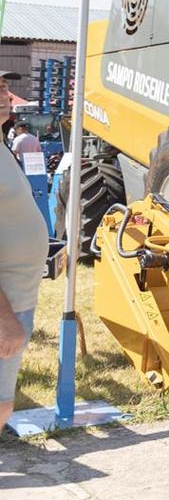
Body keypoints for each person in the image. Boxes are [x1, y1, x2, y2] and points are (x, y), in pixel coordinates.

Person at [0, 70, 51, 427]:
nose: (5, 93)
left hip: (17, 297)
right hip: (7, 304)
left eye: (3, 86)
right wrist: (5, 320)